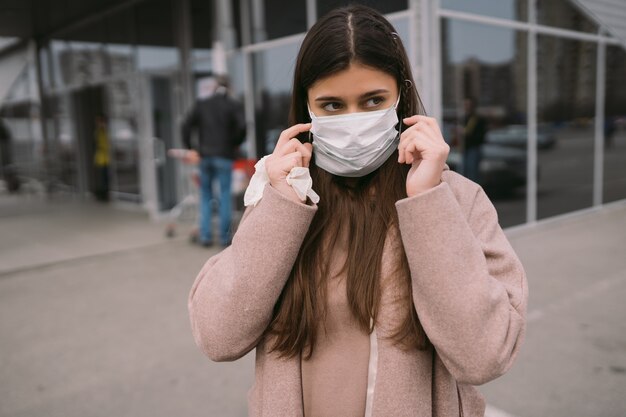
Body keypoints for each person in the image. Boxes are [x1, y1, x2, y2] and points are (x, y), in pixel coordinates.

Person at [188, 6, 527, 417]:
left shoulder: (456, 200)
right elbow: (218, 336)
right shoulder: (287, 196)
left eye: (372, 101)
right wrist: (280, 205)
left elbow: (484, 356)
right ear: (307, 109)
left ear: (400, 98)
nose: (353, 122)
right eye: (331, 105)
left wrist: (426, 201)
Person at [182, 75, 246, 247]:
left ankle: (206, 236)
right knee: (225, 196)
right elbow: (242, 127)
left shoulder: (203, 104)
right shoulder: (233, 105)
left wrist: (191, 148)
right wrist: (234, 144)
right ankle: (225, 239)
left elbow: (186, 125)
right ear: (229, 87)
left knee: (206, 196)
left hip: (205, 156)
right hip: (224, 156)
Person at [462, 97, 487, 184]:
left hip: (473, 148)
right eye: (465, 105)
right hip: (465, 148)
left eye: (467, 105)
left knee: (472, 173)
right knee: (465, 172)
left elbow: (478, 135)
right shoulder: (464, 118)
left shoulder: (476, 119)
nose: (466, 107)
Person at [93, 115, 110, 201]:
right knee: (103, 177)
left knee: (107, 177)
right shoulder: (98, 132)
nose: (99, 124)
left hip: (107, 158)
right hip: (102, 158)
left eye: (100, 122)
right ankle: (104, 194)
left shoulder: (107, 131)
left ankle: (106, 193)